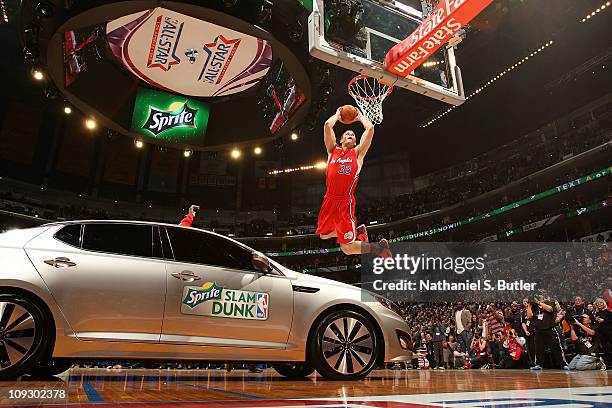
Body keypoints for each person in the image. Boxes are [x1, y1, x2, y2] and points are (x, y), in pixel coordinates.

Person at [316, 107, 391, 257]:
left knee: (347, 249)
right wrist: (337, 115)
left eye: (353, 134)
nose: (350, 134)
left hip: (345, 202)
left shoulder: (357, 154)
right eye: (347, 134)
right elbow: (327, 125)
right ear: (341, 139)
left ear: (356, 141)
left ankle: (379, 248)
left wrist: (360, 117)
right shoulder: (332, 151)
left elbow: (369, 129)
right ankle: (356, 231)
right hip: (329, 199)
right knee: (323, 235)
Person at [527, 295, 568, 370]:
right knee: (538, 349)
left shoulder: (549, 303)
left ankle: (563, 364)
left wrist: (539, 302)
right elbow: (529, 316)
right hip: (538, 330)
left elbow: (550, 309)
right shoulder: (534, 307)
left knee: (556, 348)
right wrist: (529, 306)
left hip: (550, 329)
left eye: (539, 298)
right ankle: (539, 365)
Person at [593, 297, 611, 368]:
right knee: (605, 349)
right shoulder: (597, 313)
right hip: (601, 333)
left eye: (600, 303)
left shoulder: (609, 311)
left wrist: (604, 320)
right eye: (597, 303)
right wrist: (596, 320)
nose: (599, 304)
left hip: (609, 332)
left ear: (603, 303)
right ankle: (608, 364)